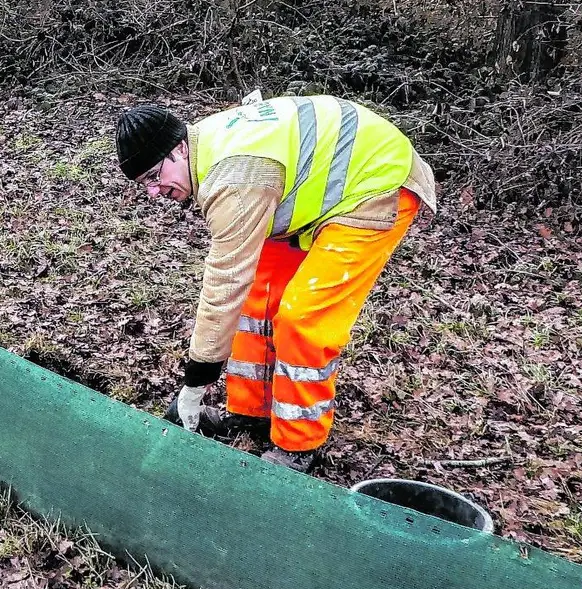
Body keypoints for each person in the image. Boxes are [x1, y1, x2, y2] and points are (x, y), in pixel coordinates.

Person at [114, 94, 437, 473]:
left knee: (303, 317)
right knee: (258, 296)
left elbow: (223, 285)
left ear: (180, 149)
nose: (155, 192)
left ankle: (298, 443)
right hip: (319, 192)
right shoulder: (209, 151)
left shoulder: (234, 180)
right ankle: (251, 412)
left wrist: (194, 384)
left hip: (377, 184)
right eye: (144, 184)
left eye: (155, 176)